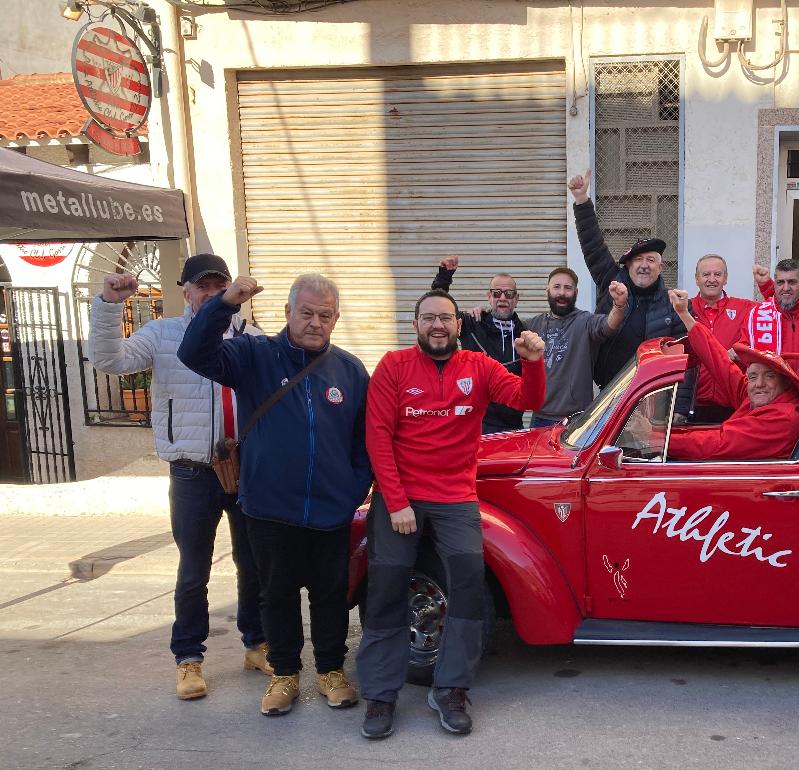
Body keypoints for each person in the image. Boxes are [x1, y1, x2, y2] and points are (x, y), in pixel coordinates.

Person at [178, 273, 372, 718]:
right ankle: (284, 674)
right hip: (268, 509)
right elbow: (193, 352)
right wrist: (224, 303)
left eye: (325, 315)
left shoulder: (350, 370)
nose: (315, 323)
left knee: (330, 596)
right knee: (277, 595)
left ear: (336, 318)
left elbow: (365, 440)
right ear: (287, 313)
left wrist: (350, 490)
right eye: (306, 313)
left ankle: (330, 672)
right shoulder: (253, 355)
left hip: (330, 511)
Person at [357, 289, 546, 739]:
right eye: (428, 318)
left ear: (459, 324)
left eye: (445, 318)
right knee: (386, 590)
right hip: (398, 497)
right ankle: (381, 694)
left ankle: (450, 689)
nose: (437, 326)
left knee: (466, 587)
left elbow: (524, 399)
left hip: (456, 496)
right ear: (415, 324)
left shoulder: (479, 367)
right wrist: (397, 501)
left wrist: (534, 361)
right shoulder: (393, 367)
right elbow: (378, 437)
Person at [88, 253, 269, 701]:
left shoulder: (252, 337)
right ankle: (189, 658)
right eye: (202, 287)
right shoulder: (163, 334)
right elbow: (109, 360)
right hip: (192, 471)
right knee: (194, 571)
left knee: (254, 564)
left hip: (245, 468)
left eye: (218, 285)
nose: (211, 294)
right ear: (185, 292)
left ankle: (257, 644)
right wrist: (109, 306)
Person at [666, 289, 799, 461]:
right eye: (753, 376)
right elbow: (719, 362)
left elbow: (715, 444)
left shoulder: (782, 418)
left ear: (785, 382)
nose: (759, 383)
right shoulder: (755, 397)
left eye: (769, 376)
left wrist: (656, 441)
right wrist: (684, 314)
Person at [568, 170, 677, 387]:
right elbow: (593, 245)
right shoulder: (611, 279)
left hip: (652, 394)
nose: (644, 265)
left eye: (651, 260)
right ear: (628, 265)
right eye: (638, 259)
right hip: (609, 392)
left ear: (661, 267)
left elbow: (682, 358)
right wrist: (581, 201)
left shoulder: (673, 305)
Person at [431, 256, 529, 434]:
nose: (503, 298)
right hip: (474, 426)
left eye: (509, 294)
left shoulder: (526, 333)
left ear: (516, 299)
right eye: (497, 293)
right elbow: (439, 308)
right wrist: (444, 277)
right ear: (489, 297)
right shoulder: (471, 324)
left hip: (513, 428)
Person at [526, 268, 627, 427]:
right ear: (548, 290)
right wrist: (483, 312)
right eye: (557, 287)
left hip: (576, 421)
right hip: (539, 418)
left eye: (568, 288)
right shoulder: (534, 324)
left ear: (576, 292)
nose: (562, 293)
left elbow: (609, 325)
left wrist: (619, 304)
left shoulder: (586, 322)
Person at [675, 254, 760, 423]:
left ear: (725, 278)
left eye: (717, 274)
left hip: (734, 406)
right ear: (696, 279)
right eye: (706, 275)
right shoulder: (683, 309)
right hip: (691, 407)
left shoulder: (745, 308)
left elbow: (777, 311)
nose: (712, 280)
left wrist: (741, 349)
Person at [740, 258, 799, 390]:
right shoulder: (756, 314)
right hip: (773, 399)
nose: (786, 288)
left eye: (792, 282)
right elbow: (746, 357)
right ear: (774, 285)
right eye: (780, 282)